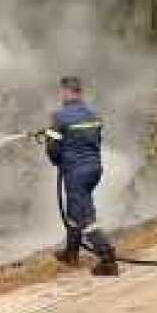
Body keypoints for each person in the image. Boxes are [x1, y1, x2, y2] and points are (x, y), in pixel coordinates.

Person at [43, 76, 119, 276]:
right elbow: (93, 139)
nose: (61, 95)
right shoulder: (94, 114)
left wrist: (58, 160)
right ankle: (71, 253)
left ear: (67, 92)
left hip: (76, 172)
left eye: (62, 91)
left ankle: (108, 258)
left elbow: (52, 149)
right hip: (94, 170)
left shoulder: (59, 117)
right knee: (75, 211)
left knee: (84, 217)